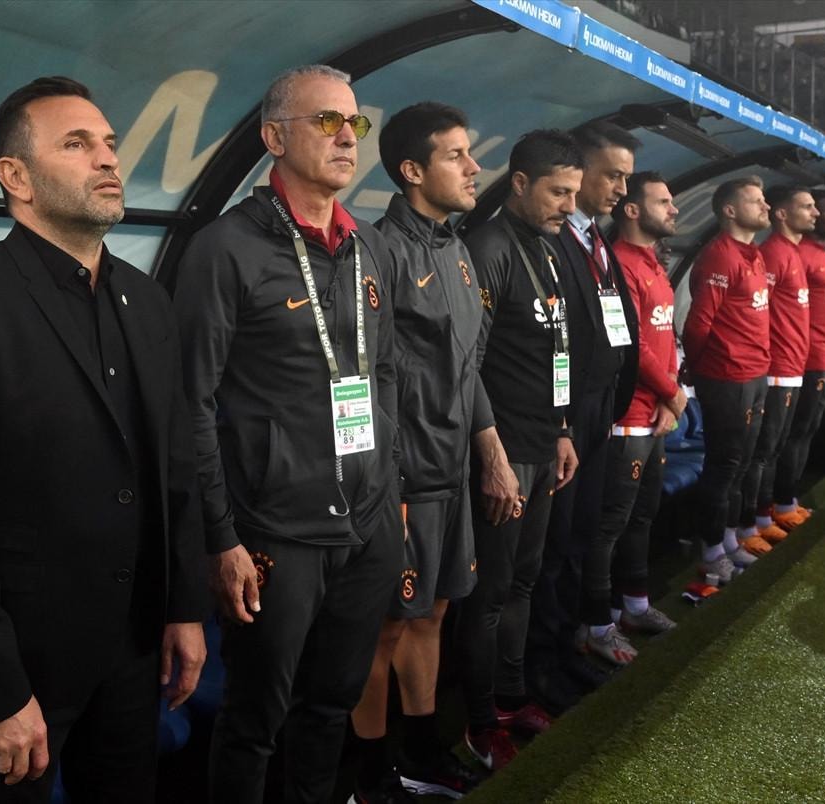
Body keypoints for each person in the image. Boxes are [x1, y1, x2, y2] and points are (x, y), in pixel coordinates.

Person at [0, 76, 208, 803]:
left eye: (109, 143)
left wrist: (183, 607)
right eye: (76, 143)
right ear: (16, 176)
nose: (108, 158)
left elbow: (175, 465)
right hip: (20, 664)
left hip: (133, 650)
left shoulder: (147, 301)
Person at [173, 65, 403, 804]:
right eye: (326, 121)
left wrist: (390, 491)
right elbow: (191, 402)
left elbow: (384, 374)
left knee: (331, 704)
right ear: (274, 137)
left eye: (354, 124)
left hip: (367, 524)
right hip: (277, 530)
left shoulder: (369, 247)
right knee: (255, 720)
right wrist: (221, 537)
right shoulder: (225, 249)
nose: (347, 137)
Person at [348, 101, 487, 803]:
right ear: (411, 170)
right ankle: (370, 775)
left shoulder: (457, 249)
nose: (474, 166)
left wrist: (490, 449)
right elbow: (368, 380)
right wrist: (388, 481)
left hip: (452, 473)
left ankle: (424, 751)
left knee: (433, 613)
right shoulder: (379, 251)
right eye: (456, 155)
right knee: (383, 629)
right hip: (404, 480)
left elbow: (468, 366)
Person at [458, 129, 582, 771]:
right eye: (559, 192)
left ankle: (511, 697)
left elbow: (553, 347)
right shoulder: (488, 247)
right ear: (521, 183)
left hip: (541, 442)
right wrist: (493, 457)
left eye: (574, 193)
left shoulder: (549, 247)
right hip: (503, 453)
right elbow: (468, 363)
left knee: (524, 581)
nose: (570, 206)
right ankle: (479, 723)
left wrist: (562, 429)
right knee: (491, 591)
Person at [527, 121, 641, 683]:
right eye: (612, 175)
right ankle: (542, 667)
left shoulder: (596, 239)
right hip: (562, 416)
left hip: (598, 407)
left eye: (626, 178)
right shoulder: (549, 240)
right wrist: (562, 421)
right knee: (553, 546)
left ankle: (571, 641)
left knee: (582, 533)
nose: (622, 188)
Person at [588, 172, 685, 641]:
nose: (674, 209)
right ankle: (597, 623)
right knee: (610, 525)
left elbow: (666, 338)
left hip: (656, 414)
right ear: (632, 210)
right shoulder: (620, 263)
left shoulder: (654, 263)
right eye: (663, 201)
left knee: (642, 517)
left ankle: (635, 606)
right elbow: (632, 341)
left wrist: (670, 396)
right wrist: (671, 392)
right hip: (628, 417)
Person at [681, 176, 772, 583]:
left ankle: (729, 539)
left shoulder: (753, 253)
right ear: (730, 210)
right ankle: (711, 550)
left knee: (742, 464)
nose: (765, 206)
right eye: (756, 201)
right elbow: (698, 324)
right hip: (727, 376)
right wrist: (702, 369)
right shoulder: (719, 256)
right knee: (725, 465)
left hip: (755, 372)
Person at [736, 185, 815, 550]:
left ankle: (768, 514)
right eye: (807, 206)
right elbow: (759, 313)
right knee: (762, 450)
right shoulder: (772, 252)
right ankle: (750, 523)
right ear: (783, 214)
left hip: (795, 363)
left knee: (777, 445)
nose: (815, 212)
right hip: (775, 366)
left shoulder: (793, 251)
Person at [772, 189, 825, 529]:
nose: (820, 214)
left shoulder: (820, 251)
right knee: (794, 434)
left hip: (823, 356)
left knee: (806, 431)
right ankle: (779, 504)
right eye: (816, 208)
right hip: (804, 359)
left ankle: (789, 499)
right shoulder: (793, 253)